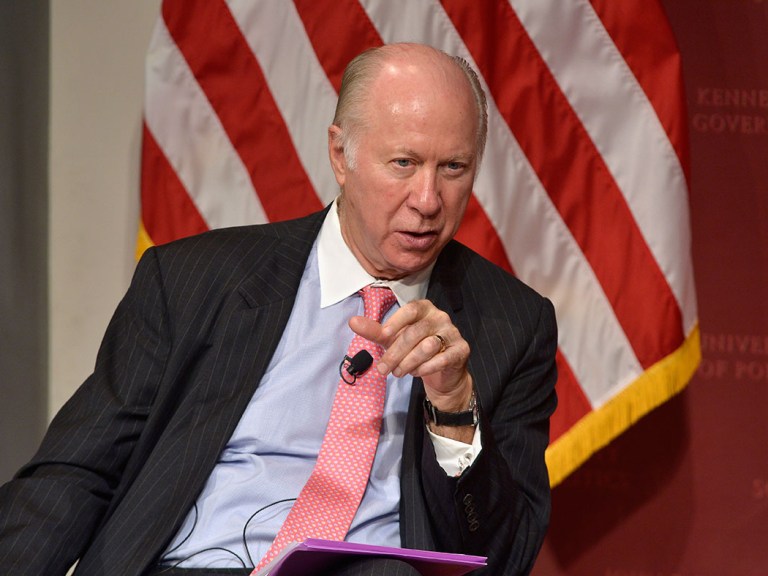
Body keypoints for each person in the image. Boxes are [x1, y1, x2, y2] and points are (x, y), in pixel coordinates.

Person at [0, 43, 557, 576]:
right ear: (341, 154)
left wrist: (456, 409)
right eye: (404, 163)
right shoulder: (196, 281)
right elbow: (77, 471)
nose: (428, 199)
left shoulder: (510, 325)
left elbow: (503, 556)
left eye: (454, 168)